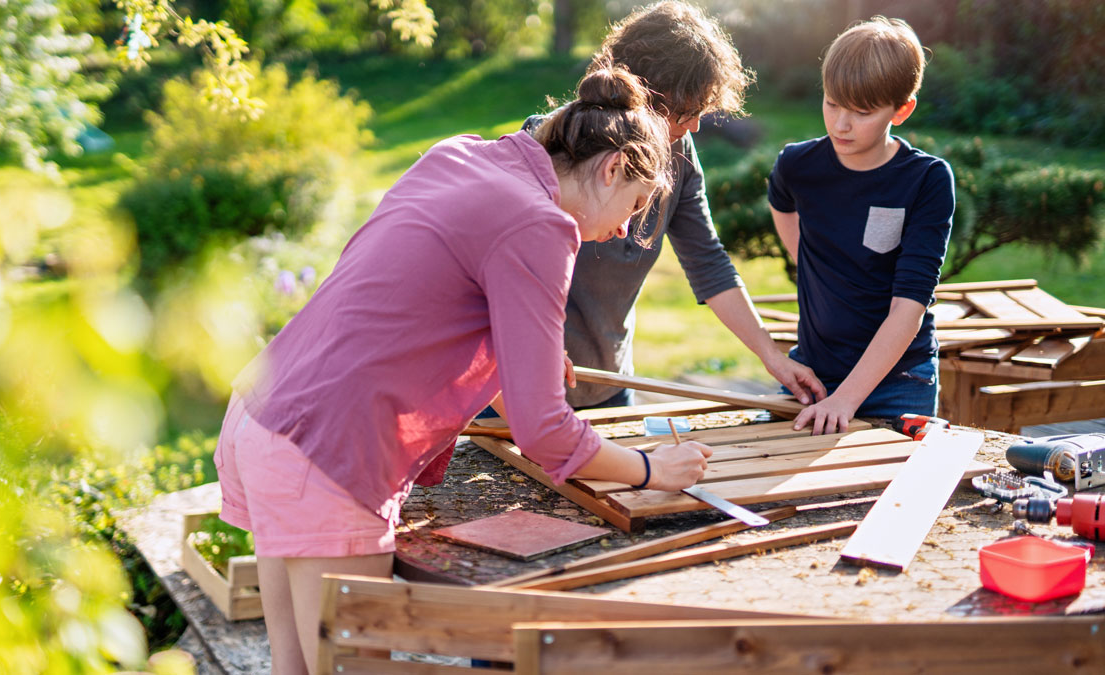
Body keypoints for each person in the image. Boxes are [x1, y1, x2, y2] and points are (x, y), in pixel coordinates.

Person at [213, 66, 714, 674]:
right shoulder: (543, 224)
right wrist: (651, 469)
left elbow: (402, 295)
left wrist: (513, 352)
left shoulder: (462, 155)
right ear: (611, 168)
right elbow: (542, 430)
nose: (624, 230)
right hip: (326, 446)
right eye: (635, 205)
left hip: (264, 411)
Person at [530, 0, 826, 412]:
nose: (696, 125)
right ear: (645, 95)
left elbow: (708, 263)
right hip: (521, 384)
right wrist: (533, 349)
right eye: (687, 111)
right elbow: (503, 270)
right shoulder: (550, 141)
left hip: (610, 384)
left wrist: (771, 356)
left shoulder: (679, 152)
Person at [766, 16, 956, 435]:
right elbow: (781, 205)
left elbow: (909, 307)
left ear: (902, 110)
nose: (841, 124)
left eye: (862, 112)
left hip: (900, 383)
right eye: (832, 104)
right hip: (813, 375)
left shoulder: (926, 180)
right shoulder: (797, 165)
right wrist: (810, 264)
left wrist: (847, 399)